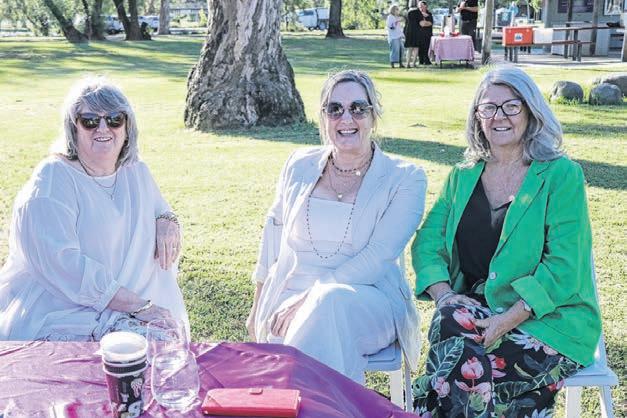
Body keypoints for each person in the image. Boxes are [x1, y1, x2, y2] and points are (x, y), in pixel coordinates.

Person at [411, 67, 601, 417]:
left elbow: (564, 264)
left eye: (511, 106)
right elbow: (427, 242)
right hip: (473, 315)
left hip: (548, 322)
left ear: (530, 111)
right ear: (477, 117)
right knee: (452, 322)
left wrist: (508, 319)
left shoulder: (561, 175)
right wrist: (445, 295)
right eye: (489, 107)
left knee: (452, 372)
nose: (499, 116)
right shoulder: (462, 176)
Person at [246, 70, 426, 384]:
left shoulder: (405, 178)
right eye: (335, 109)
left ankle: (292, 398)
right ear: (324, 117)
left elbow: (378, 258)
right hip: (287, 298)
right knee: (317, 318)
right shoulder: (298, 165)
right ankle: (327, 403)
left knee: (328, 304)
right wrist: (257, 305)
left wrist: (312, 297)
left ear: (373, 115)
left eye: (358, 108)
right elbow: (271, 239)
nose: (346, 118)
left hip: (369, 301)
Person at [0, 77, 189, 341]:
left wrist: (167, 220)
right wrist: (139, 306)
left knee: (164, 343)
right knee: (152, 344)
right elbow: (64, 265)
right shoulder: (53, 180)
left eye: (114, 119)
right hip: (65, 309)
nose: (103, 128)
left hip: (124, 304)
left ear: (127, 127)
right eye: (89, 120)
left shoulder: (135, 171)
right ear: (73, 127)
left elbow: (160, 209)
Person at [404, 0, 421, 68]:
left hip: (408, 30)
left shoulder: (408, 11)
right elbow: (420, 22)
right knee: (416, 47)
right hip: (416, 31)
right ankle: (413, 63)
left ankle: (407, 63)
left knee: (409, 48)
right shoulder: (418, 12)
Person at [416, 1, 433, 65]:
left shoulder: (429, 14)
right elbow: (421, 24)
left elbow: (430, 23)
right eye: (419, 6)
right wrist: (425, 23)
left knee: (426, 47)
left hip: (427, 33)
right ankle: (421, 61)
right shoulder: (417, 14)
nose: (421, 7)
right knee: (420, 48)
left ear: (425, 6)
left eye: (422, 6)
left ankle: (427, 61)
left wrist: (425, 23)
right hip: (419, 33)